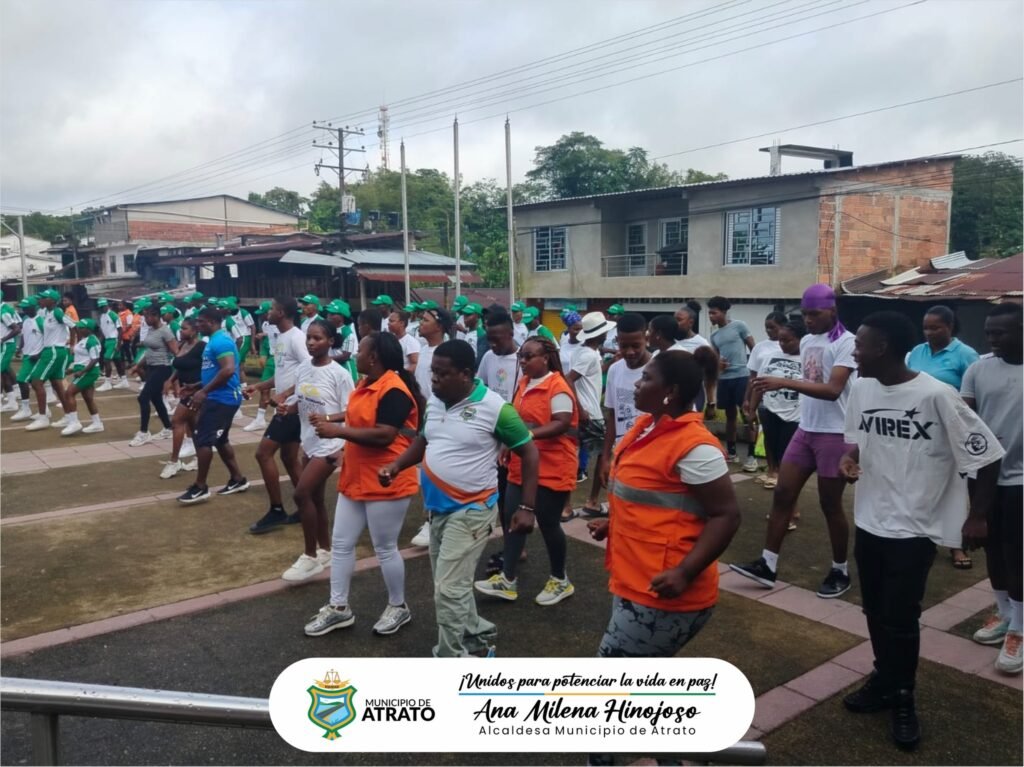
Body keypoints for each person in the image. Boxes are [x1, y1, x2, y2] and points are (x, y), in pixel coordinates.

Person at [839, 311, 1004, 750]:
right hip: (870, 519)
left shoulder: (936, 395)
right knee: (875, 609)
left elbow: (987, 455)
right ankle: (884, 679)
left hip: (916, 526)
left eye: (860, 345)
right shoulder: (863, 387)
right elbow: (860, 440)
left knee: (900, 616)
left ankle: (903, 697)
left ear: (883, 348)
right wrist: (850, 458)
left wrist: (978, 516)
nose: (854, 352)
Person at [379, 340, 538, 656]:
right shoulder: (436, 402)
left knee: (448, 590)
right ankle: (477, 635)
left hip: (472, 510)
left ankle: (450, 656)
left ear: (465, 374)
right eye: (433, 372)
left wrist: (526, 506)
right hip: (438, 510)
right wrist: (397, 465)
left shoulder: (495, 408)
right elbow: (424, 440)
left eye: (442, 373)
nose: (435, 379)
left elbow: (530, 453)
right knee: (450, 584)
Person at [587, 350, 741, 657]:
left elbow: (727, 515)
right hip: (635, 578)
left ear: (670, 391)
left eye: (646, 378)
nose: (636, 384)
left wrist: (684, 572)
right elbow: (652, 498)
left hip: (665, 591)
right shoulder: (646, 427)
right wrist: (616, 522)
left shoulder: (694, 447)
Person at [731, 284, 857, 598]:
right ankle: (767, 564)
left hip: (835, 433)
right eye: (805, 314)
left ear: (832, 311)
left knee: (830, 504)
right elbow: (807, 378)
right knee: (783, 493)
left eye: (815, 314)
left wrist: (784, 382)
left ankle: (840, 570)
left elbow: (833, 390)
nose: (809, 320)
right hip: (807, 428)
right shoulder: (809, 340)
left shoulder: (846, 342)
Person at [303, 332, 424, 637]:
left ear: (373, 357)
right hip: (356, 476)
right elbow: (359, 415)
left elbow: (384, 434)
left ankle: (398, 606)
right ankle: (338, 607)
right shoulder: (367, 383)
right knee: (342, 544)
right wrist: (333, 421)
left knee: (385, 547)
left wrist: (338, 432)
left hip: (386, 477)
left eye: (361, 351)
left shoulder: (394, 389)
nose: (355, 355)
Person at [475, 335, 578, 605]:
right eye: (521, 356)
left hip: (552, 467)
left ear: (545, 358)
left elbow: (561, 423)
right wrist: (508, 444)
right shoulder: (523, 383)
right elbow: (517, 422)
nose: (522, 361)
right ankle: (507, 579)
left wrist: (527, 437)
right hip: (521, 466)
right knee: (513, 518)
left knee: (548, 524)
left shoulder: (558, 387)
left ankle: (560, 579)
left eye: (529, 356)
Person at [963, 303, 1023, 675]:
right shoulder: (978, 369)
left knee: (1018, 554)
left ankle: (1019, 629)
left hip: (1021, 480)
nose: (991, 339)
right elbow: (966, 420)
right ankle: (1005, 613)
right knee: (992, 548)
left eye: (999, 333)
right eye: (988, 333)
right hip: (984, 476)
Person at [906, 305, 981, 569]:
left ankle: (955, 545)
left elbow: (975, 393)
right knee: (920, 484)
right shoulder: (917, 352)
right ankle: (919, 536)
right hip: (918, 429)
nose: (929, 333)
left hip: (951, 430)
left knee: (953, 489)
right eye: (926, 328)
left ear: (949, 326)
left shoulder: (965, 354)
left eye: (935, 328)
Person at [281, 320, 355, 582]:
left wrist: (331, 423)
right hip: (310, 441)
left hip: (330, 444)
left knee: (301, 494)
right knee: (316, 499)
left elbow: (352, 411)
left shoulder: (339, 374)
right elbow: (301, 401)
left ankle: (310, 556)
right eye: (309, 338)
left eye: (318, 338)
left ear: (331, 342)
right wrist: (287, 408)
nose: (311, 343)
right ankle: (326, 550)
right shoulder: (303, 368)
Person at [245, 297, 310, 534]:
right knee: (289, 458)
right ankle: (306, 507)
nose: (268, 312)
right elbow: (283, 373)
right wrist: (259, 386)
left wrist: (285, 394)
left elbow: (310, 369)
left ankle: (276, 510)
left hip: (291, 407)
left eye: (272, 309)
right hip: (287, 405)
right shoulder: (281, 337)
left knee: (263, 454)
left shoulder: (296, 338)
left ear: (281, 312)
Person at [177, 306, 250, 504]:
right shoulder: (214, 341)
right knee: (220, 439)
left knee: (203, 439)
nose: (198, 325)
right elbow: (216, 371)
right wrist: (196, 386)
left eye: (201, 322)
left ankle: (200, 487)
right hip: (218, 396)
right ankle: (238, 479)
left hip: (222, 399)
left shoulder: (221, 341)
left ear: (211, 322)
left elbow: (228, 370)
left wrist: (204, 392)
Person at [408, 306, 455, 549]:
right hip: (426, 418)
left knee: (439, 469)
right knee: (428, 470)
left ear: (439, 326)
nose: (421, 323)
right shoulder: (424, 349)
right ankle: (433, 517)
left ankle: (434, 519)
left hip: (443, 419)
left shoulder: (446, 352)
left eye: (425, 320)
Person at [598, 313, 651, 511]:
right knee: (621, 507)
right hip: (622, 456)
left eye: (636, 346)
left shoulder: (659, 368)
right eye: (623, 346)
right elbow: (612, 416)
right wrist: (606, 457)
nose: (629, 352)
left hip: (651, 457)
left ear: (646, 338)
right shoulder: (614, 370)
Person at [746, 321, 805, 498]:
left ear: (800, 339)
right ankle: (773, 472)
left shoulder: (808, 360)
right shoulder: (771, 357)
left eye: (787, 340)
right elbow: (759, 384)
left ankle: (784, 480)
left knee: (786, 448)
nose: (782, 344)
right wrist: (752, 409)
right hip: (770, 408)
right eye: (780, 340)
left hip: (795, 413)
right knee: (770, 442)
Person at [569, 312, 615, 518]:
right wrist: (580, 409)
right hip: (589, 413)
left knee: (574, 455)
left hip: (587, 410)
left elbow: (589, 376)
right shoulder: (587, 355)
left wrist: (610, 364)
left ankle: (568, 506)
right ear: (600, 334)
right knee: (603, 454)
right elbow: (569, 379)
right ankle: (592, 501)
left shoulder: (585, 352)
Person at [707, 296, 755, 465]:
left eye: (714, 313)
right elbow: (715, 358)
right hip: (725, 379)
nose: (711, 316)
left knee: (747, 414)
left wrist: (753, 372)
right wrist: (718, 365)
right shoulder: (714, 335)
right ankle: (732, 452)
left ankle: (752, 455)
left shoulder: (739, 326)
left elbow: (754, 348)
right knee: (730, 416)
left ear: (724, 312)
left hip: (742, 375)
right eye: (709, 313)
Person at [742, 311, 788, 476]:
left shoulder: (792, 345)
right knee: (769, 435)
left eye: (772, 327)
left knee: (785, 438)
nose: (769, 331)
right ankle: (771, 470)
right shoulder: (760, 347)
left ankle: (783, 471)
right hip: (764, 397)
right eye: (766, 327)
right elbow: (753, 376)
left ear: (783, 326)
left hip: (789, 401)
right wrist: (747, 399)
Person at [125, 305, 178, 446]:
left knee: (143, 397)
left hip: (163, 368)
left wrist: (177, 375)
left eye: (147, 316)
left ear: (156, 316)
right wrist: (137, 366)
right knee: (156, 399)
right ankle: (168, 428)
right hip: (152, 368)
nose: (145, 319)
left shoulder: (165, 331)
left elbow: (176, 352)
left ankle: (144, 432)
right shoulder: (151, 330)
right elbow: (149, 352)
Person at [25, 289, 75, 432]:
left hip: (54, 351)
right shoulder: (47, 313)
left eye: (43, 298)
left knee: (36, 381)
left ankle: (43, 418)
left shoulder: (57, 312)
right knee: (57, 385)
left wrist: (72, 345)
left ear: (52, 301)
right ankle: (69, 417)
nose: (40, 300)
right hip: (51, 350)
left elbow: (73, 325)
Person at [160, 318, 205, 479]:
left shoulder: (202, 347)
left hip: (197, 391)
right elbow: (179, 367)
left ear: (194, 330)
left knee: (177, 421)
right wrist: (170, 380)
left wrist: (197, 386)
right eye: (181, 328)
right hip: (186, 390)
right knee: (193, 426)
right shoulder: (182, 345)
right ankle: (199, 458)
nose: (181, 331)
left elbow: (210, 371)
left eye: (184, 328)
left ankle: (174, 462)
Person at [57, 319, 105, 436]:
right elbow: (82, 358)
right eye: (78, 327)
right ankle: (97, 423)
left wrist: (82, 372)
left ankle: (74, 422)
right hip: (82, 370)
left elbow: (94, 359)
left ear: (89, 329)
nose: (79, 329)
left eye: (82, 327)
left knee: (69, 393)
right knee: (88, 398)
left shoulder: (92, 341)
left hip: (89, 372)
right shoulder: (84, 339)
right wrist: (72, 369)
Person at [245, 300, 277, 433]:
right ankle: (260, 419)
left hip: (281, 359)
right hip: (271, 359)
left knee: (281, 390)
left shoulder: (280, 325)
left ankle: (277, 417)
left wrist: (265, 334)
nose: (262, 316)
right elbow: (266, 342)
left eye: (264, 313)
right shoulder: (265, 324)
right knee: (264, 388)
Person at [10, 298, 44, 422]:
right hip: (27, 355)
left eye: (26, 307)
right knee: (33, 383)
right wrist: (20, 348)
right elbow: (24, 335)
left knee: (21, 379)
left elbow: (48, 339)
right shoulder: (25, 320)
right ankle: (45, 409)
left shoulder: (40, 321)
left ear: (33, 307)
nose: (23, 310)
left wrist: (40, 353)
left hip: (35, 357)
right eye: (22, 307)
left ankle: (25, 409)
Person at [94, 298, 126, 391]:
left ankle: (107, 382)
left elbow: (120, 330)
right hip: (107, 341)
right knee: (117, 361)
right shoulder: (102, 316)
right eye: (100, 307)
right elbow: (103, 331)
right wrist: (100, 342)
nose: (101, 308)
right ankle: (124, 380)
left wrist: (119, 343)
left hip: (114, 340)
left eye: (103, 306)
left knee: (106, 359)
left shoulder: (113, 315)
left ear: (107, 305)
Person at [324, 299, 358, 381]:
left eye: (332, 314)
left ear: (341, 316)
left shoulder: (347, 332)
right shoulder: (328, 330)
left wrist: (326, 359)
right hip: (332, 367)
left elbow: (345, 356)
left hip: (345, 368)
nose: (329, 316)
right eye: (328, 313)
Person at [1, 299, 23, 412]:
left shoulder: (4, 312)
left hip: (6, 345)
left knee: (2, 371)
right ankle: (12, 400)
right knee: (5, 371)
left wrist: (3, 339)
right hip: (4, 344)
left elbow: (17, 328)